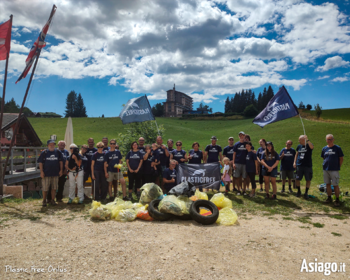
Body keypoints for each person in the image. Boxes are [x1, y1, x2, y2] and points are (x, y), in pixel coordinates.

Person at [37, 140, 63, 206]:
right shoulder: (44, 152)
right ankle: (44, 200)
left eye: (53, 144)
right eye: (50, 145)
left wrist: (61, 170)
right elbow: (40, 163)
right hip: (46, 173)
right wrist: (41, 172)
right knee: (45, 188)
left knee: (54, 187)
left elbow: (61, 162)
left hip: (55, 173)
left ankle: (52, 200)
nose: (52, 146)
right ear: (48, 145)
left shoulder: (58, 152)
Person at [321, 134, 344, 207]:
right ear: (326, 140)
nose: (329, 141)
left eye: (330, 139)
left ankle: (337, 200)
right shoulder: (324, 148)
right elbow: (323, 157)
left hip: (334, 170)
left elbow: (341, 158)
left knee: (335, 185)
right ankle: (329, 198)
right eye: (328, 139)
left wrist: (338, 166)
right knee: (327, 184)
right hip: (326, 169)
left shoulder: (337, 148)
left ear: (333, 140)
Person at [293, 135, 314, 199]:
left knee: (308, 179)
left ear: (303, 140)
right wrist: (294, 162)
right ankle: (299, 191)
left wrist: (307, 139)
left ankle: (306, 193)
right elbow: (296, 154)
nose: (298, 141)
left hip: (307, 166)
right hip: (299, 165)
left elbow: (312, 147)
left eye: (299, 140)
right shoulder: (299, 146)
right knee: (297, 179)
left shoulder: (308, 145)